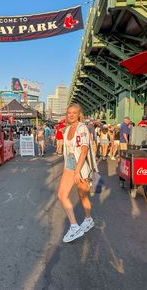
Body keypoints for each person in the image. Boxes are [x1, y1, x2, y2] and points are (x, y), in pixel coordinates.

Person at [58, 104, 97, 243]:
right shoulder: (67, 128)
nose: (71, 115)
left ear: (79, 114)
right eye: (69, 113)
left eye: (74, 113)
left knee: (82, 194)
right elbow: (67, 151)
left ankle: (88, 219)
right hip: (69, 164)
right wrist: (66, 168)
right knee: (62, 195)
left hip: (79, 166)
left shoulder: (82, 128)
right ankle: (74, 226)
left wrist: (77, 171)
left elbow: (84, 150)